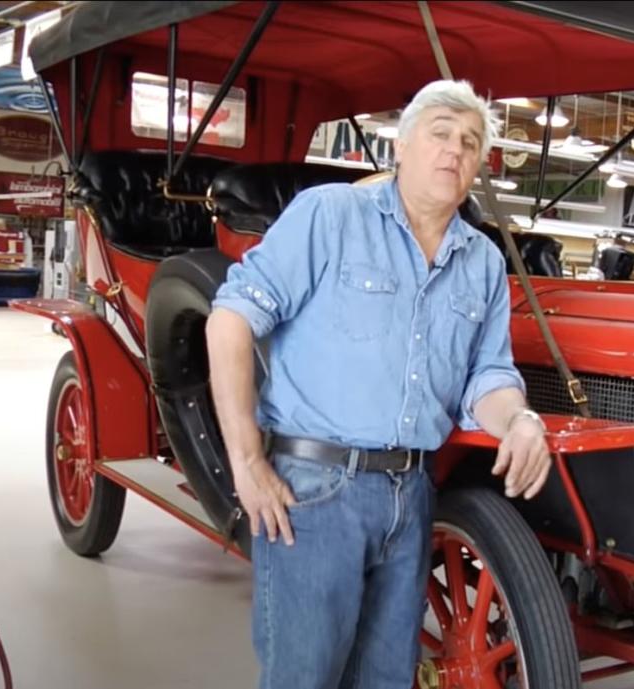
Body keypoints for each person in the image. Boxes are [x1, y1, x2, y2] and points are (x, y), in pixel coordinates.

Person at [205, 79, 551, 689]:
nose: (454, 151)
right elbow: (231, 319)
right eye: (440, 134)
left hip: (410, 495)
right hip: (312, 492)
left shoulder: (485, 262)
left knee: (387, 679)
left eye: (470, 143)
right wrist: (245, 461)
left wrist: (522, 420)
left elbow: (486, 377)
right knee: (302, 677)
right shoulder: (331, 215)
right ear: (402, 145)